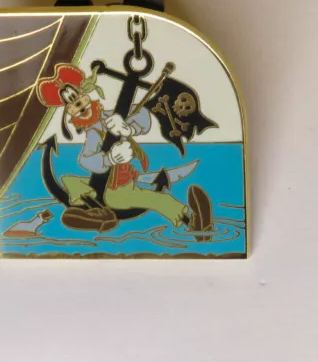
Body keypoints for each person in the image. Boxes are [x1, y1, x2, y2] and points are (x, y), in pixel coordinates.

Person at [37, 63, 212, 237]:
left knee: (159, 199)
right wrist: (110, 159)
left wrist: (129, 129)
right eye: (73, 106)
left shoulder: (111, 116)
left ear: (87, 97)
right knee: (70, 180)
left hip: (119, 187)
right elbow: (85, 159)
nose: (80, 106)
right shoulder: (93, 133)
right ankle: (95, 213)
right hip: (106, 188)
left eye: (80, 99)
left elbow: (141, 115)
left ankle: (196, 225)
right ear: (70, 112)